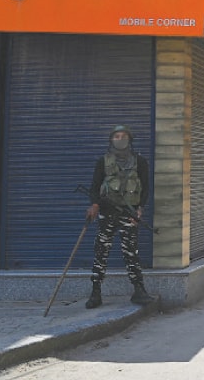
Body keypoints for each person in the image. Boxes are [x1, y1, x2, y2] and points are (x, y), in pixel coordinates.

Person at [84, 125, 153, 308]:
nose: (120, 139)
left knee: (131, 252)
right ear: (111, 140)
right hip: (107, 214)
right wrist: (95, 205)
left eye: (123, 136)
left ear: (129, 139)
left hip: (128, 214)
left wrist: (139, 210)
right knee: (101, 252)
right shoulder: (103, 161)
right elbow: (94, 186)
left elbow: (145, 189)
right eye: (116, 136)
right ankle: (95, 293)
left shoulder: (140, 161)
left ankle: (139, 290)